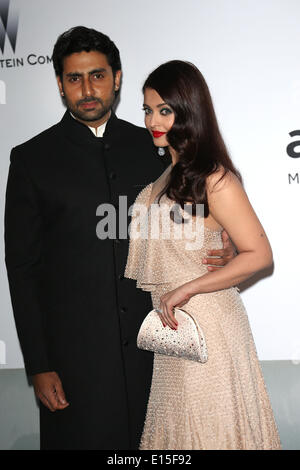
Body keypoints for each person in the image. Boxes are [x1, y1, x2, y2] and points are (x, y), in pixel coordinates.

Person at [4, 28, 234, 450]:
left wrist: (226, 245)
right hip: (75, 362)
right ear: (59, 83)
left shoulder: (154, 146)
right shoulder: (32, 159)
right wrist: (39, 364)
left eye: (97, 75)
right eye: (74, 78)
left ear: (117, 78)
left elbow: (200, 210)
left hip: (158, 351)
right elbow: (22, 271)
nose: (87, 89)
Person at [124, 60, 282, 450]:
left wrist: (186, 289)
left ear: (188, 110)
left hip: (210, 326)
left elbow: (260, 254)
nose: (152, 120)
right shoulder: (159, 180)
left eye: (164, 109)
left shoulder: (214, 178)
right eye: (147, 110)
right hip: (173, 334)